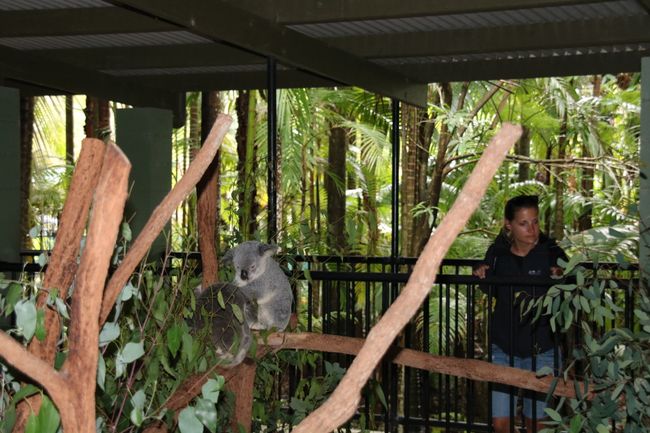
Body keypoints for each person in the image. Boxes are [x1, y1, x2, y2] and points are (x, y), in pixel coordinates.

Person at [473, 195, 567, 433]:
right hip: (503, 347)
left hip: (542, 348)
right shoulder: (497, 254)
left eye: (535, 222)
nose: (532, 229)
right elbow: (489, 288)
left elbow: (573, 287)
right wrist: (481, 272)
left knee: (537, 423)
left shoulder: (552, 252)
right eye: (524, 223)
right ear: (509, 225)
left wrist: (562, 276)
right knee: (501, 423)